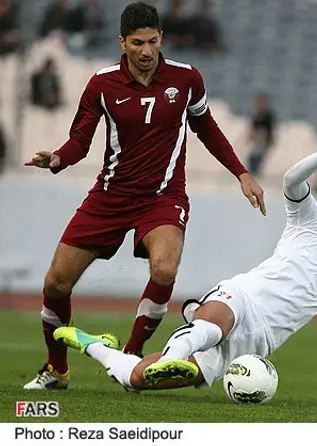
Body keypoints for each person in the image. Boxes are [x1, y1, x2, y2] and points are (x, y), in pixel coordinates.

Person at [53, 137, 317, 392]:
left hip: (259, 342)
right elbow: (292, 180)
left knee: (138, 380)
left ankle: (96, 344)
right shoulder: (309, 218)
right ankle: (180, 344)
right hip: (242, 299)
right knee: (209, 328)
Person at [22, 1, 265, 390]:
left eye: (153, 41)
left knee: (165, 269)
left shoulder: (186, 79)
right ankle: (56, 369)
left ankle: (131, 356)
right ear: (123, 43)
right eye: (138, 43)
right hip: (109, 196)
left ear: (162, 38)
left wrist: (242, 173)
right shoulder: (102, 84)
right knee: (55, 284)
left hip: (163, 197)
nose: (147, 51)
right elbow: (80, 141)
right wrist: (57, 159)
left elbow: (209, 129)